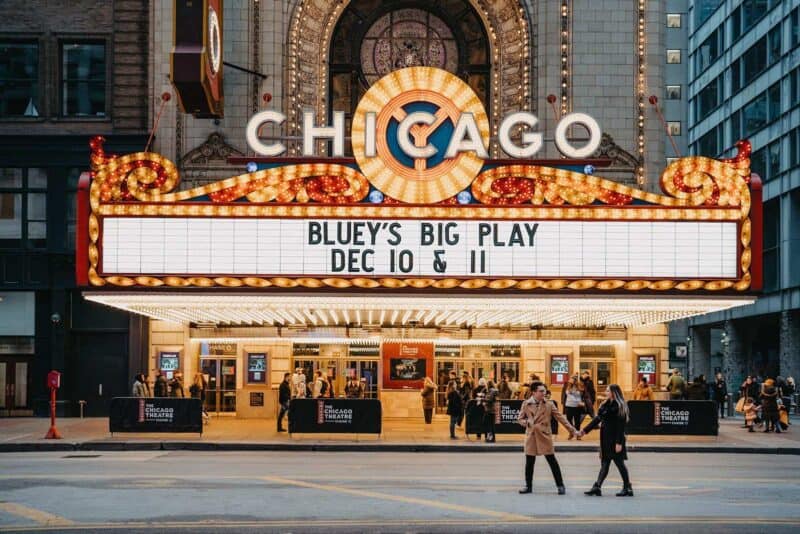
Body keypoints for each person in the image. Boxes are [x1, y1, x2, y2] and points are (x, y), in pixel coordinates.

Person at [517, 381, 578, 495]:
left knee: (552, 461)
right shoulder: (526, 404)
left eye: (544, 391)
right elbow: (520, 419)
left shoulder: (549, 404)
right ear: (534, 392)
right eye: (541, 391)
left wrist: (573, 430)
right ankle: (528, 486)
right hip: (531, 435)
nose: (543, 393)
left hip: (544, 435)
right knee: (529, 462)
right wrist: (527, 422)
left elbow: (561, 418)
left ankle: (560, 485)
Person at [578, 384, 633, 497]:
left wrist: (619, 443)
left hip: (615, 439)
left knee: (619, 463)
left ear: (614, 392)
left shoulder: (620, 406)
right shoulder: (605, 405)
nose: (605, 392)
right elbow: (597, 419)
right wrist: (584, 430)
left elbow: (620, 427)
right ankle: (597, 487)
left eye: (608, 390)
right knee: (605, 463)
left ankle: (627, 487)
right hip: (605, 438)